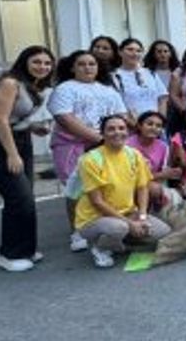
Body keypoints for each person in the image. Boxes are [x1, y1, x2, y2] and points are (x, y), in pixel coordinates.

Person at [48, 50, 126, 254]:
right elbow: (65, 118)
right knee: (76, 189)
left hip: (107, 145)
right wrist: (99, 138)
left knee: (104, 187)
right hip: (72, 145)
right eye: (81, 64)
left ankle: (104, 226)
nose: (87, 67)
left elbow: (120, 115)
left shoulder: (108, 90)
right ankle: (77, 230)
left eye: (92, 64)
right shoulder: (65, 89)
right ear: (72, 67)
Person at [0, 45, 54, 272]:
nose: (42, 67)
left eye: (47, 63)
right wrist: (12, 153)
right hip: (2, 145)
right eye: (37, 62)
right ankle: (9, 254)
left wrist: (34, 128)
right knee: (19, 198)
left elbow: (16, 119)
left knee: (27, 198)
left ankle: (26, 249)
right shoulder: (10, 82)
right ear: (24, 61)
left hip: (22, 140)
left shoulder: (31, 85)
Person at [75, 115, 171, 268]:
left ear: (128, 131)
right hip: (93, 219)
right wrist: (130, 224)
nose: (117, 132)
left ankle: (118, 242)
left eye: (121, 128)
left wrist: (142, 216)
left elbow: (142, 187)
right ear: (103, 133)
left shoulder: (133, 155)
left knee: (162, 232)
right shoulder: (90, 159)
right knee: (120, 227)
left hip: (126, 212)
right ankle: (100, 247)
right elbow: (97, 201)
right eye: (111, 129)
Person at [127, 111, 180, 214]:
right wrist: (161, 175)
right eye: (149, 124)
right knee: (154, 188)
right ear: (139, 126)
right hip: (129, 184)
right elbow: (129, 177)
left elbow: (164, 173)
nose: (154, 128)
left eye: (158, 126)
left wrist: (172, 174)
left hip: (152, 182)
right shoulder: (128, 144)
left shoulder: (163, 147)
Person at [113, 38, 168, 121]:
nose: (134, 54)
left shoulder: (150, 73)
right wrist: (134, 124)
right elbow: (116, 105)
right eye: (130, 49)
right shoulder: (114, 76)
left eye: (138, 51)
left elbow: (162, 99)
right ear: (120, 52)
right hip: (130, 125)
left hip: (155, 126)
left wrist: (160, 120)